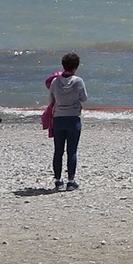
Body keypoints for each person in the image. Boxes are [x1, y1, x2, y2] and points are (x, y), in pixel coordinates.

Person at [45, 52, 87, 190]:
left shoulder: (55, 81)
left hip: (58, 117)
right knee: (72, 151)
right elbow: (84, 98)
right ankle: (71, 181)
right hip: (73, 117)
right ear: (76, 66)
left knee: (58, 150)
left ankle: (58, 180)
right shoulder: (78, 81)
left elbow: (52, 99)